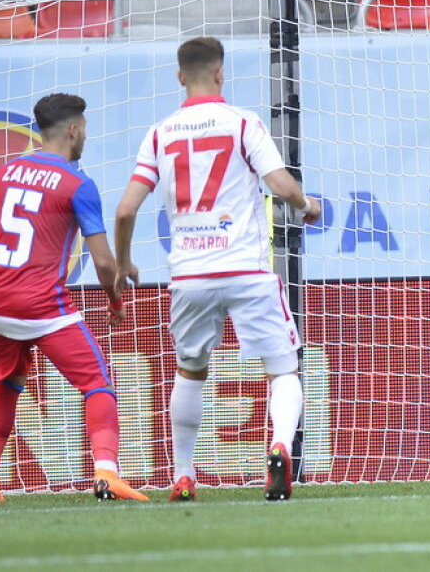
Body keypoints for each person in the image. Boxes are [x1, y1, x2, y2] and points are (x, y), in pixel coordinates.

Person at [113, 37, 322, 503]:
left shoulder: (159, 132)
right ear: (222, 74)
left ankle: (184, 475)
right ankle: (280, 446)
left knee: (190, 371)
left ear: (180, 76)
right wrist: (306, 205)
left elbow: (126, 210)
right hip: (245, 268)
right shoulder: (242, 122)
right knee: (284, 368)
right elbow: (278, 182)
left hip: (189, 273)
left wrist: (124, 260)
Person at [0, 93, 147, 503]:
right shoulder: (78, 183)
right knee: (97, 383)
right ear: (74, 130)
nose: (85, 139)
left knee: (8, 379)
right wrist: (116, 302)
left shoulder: (4, 173)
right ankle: (107, 475)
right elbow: (101, 261)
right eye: (85, 131)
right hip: (42, 306)